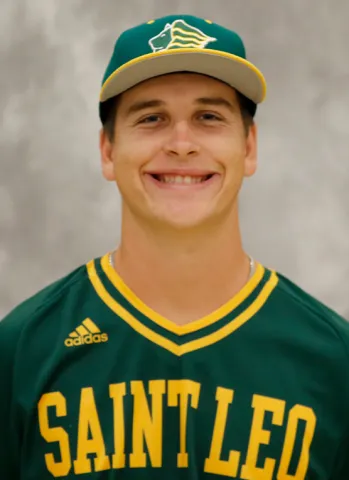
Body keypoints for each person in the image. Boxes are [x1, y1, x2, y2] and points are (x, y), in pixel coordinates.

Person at [0, 13, 348, 480]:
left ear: (248, 148)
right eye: (152, 118)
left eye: (208, 117)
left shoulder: (334, 360)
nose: (181, 144)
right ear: (107, 150)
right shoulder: (22, 349)